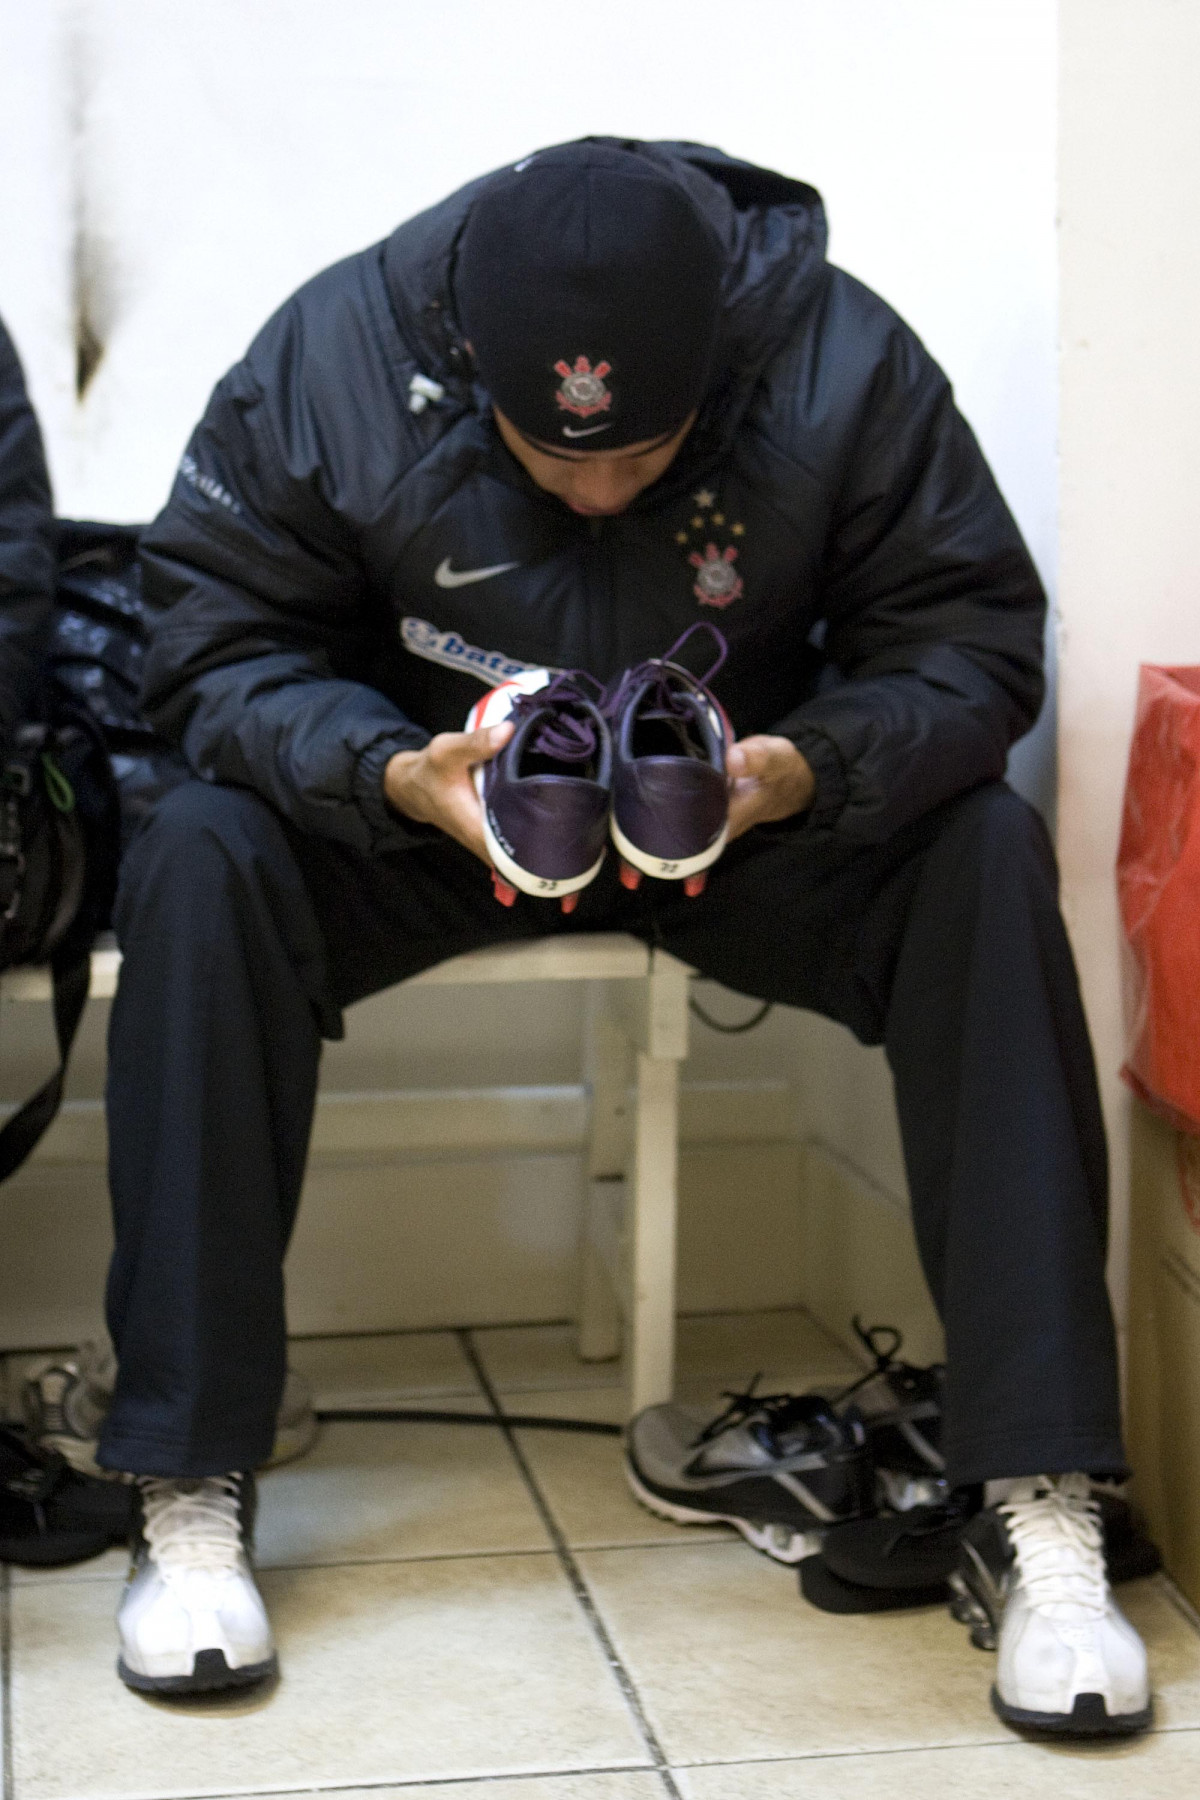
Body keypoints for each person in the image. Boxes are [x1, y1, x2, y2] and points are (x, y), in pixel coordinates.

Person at [103, 138, 1147, 1734]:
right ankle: (186, 1478)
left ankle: (1042, 1494)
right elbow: (209, 635)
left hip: (736, 814)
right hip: (441, 811)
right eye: (551, 454)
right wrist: (385, 772)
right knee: (196, 851)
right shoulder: (333, 360)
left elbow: (970, 636)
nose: (597, 489)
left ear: (718, 368)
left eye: (644, 456)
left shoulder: (841, 360)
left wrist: (811, 768)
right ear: (467, 368)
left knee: (984, 856)